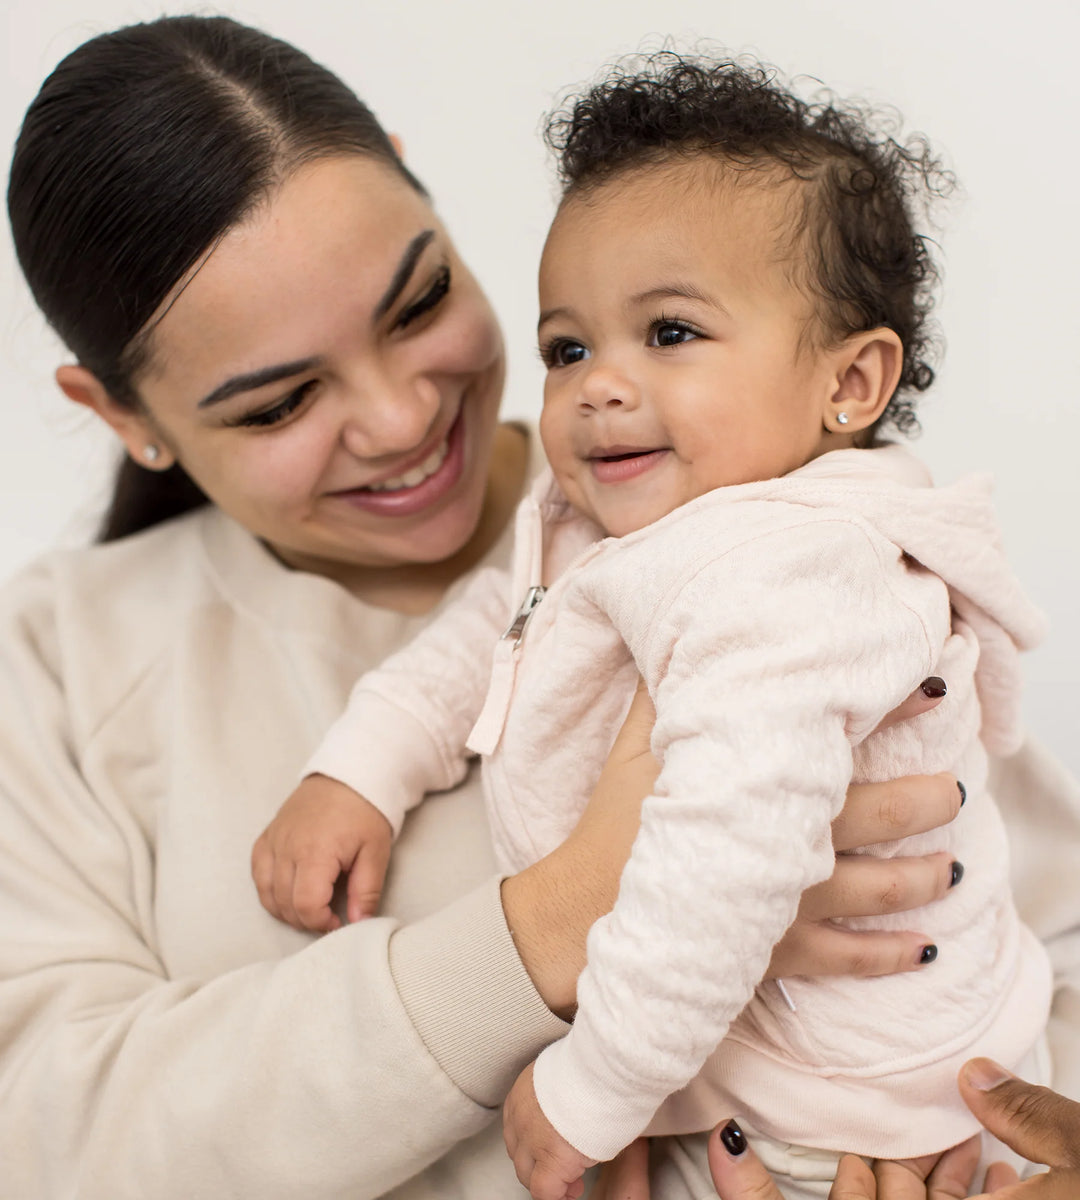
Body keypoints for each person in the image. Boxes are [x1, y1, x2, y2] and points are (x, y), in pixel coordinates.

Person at [0, 15, 1071, 1200]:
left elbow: (1049, 948)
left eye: (416, 305)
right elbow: (48, 1134)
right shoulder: (57, 664)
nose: (403, 419)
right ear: (119, 414)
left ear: (421, 186)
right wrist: (547, 924)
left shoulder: (769, 527)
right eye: (280, 401)